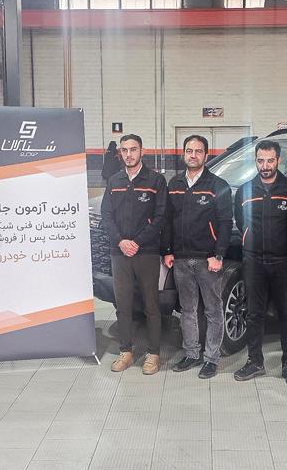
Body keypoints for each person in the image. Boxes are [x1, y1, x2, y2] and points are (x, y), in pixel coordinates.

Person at [232, 140, 287, 385]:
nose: (265, 166)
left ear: (278, 160)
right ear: (255, 161)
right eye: (260, 161)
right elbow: (241, 221)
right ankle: (255, 361)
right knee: (253, 313)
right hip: (253, 260)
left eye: (270, 160)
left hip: (283, 261)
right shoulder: (244, 190)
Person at [162, 135, 233, 379]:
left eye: (198, 151)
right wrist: (167, 250)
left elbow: (225, 223)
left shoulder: (218, 185)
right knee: (187, 310)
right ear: (183, 153)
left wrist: (218, 255)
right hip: (181, 259)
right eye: (189, 151)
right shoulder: (175, 183)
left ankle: (211, 358)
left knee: (213, 310)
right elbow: (167, 220)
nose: (193, 155)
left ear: (206, 155)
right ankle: (191, 354)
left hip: (207, 259)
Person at [100, 134, 168, 375]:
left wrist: (137, 242)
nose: (129, 154)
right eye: (125, 150)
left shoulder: (156, 180)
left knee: (151, 304)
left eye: (133, 149)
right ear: (120, 153)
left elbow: (161, 217)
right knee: (123, 305)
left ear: (142, 151)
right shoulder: (114, 180)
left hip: (146, 252)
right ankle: (126, 351)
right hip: (120, 253)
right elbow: (106, 215)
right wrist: (120, 242)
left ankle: (153, 354)